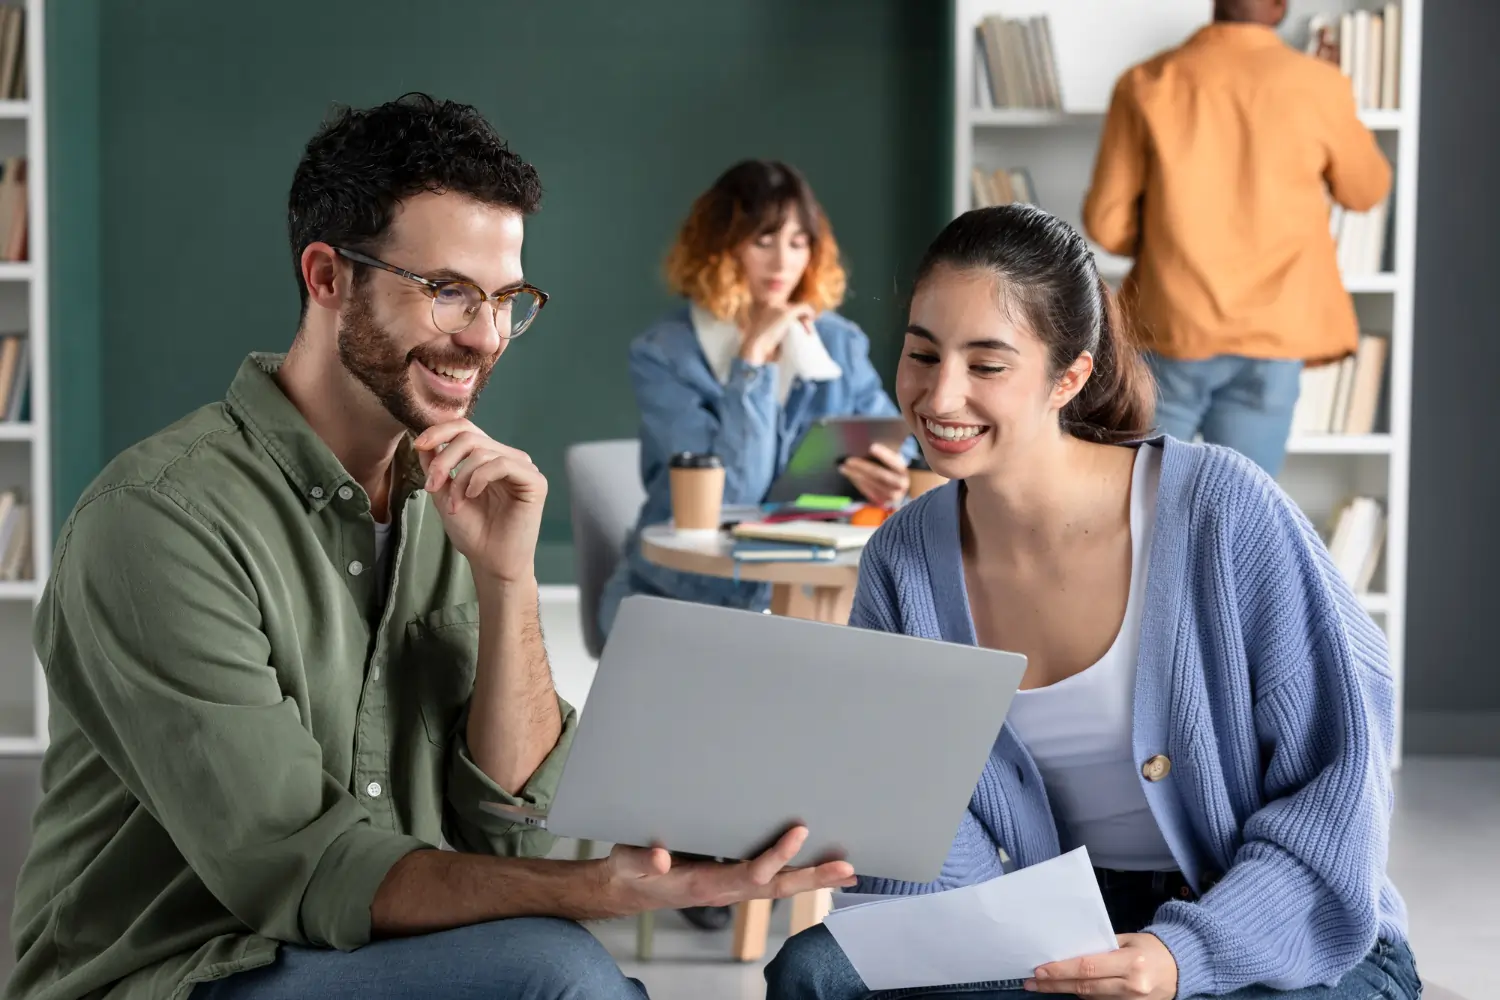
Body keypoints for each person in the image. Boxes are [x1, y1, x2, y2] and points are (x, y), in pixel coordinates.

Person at [4, 94, 856, 1000]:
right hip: (186, 969)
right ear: (328, 278)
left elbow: (509, 831)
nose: (485, 337)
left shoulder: (455, 502)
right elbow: (301, 869)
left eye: (506, 299)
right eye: (449, 292)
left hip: (379, 956)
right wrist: (599, 889)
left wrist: (507, 578)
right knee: (554, 973)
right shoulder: (158, 522)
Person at [764, 204, 1419, 1000]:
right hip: (1055, 931)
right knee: (815, 972)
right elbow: (920, 822)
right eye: (922, 354)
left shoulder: (1222, 510)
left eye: (987, 365)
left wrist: (1183, 955)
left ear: (1068, 377)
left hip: (1271, 932)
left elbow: (1338, 789)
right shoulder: (902, 559)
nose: (940, 395)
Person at [598, 159, 911, 643]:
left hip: (803, 598)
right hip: (681, 596)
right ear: (720, 244)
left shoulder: (836, 341)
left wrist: (892, 474)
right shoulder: (663, 353)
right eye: (763, 241)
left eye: (798, 242)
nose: (783, 263)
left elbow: (895, 439)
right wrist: (753, 361)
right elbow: (730, 497)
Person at [1082, 0, 1392, 476]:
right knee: (1245, 501)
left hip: (1173, 324)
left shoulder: (1146, 82)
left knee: (1143, 500)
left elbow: (1106, 224)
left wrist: (1167, 238)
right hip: (1274, 331)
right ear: (1280, 5)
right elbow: (1366, 189)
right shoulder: (1319, 85)